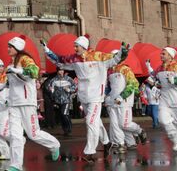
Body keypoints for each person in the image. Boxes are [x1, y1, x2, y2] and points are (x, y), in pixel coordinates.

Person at [44, 35, 126, 163]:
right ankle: (106, 142)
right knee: (95, 122)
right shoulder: (74, 59)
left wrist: (122, 51)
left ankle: (90, 153)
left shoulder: (99, 57)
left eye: (77, 46)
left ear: (83, 47)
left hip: (96, 97)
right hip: (84, 96)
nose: (74, 48)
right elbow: (60, 61)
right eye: (74, 46)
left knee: (90, 122)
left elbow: (115, 60)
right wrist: (47, 51)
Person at [5, 37, 60, 171]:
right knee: (15, 135)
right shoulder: (11, 63)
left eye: (10, 46)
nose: (8, 49)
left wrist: (17, 70)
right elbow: (10, 84)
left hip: (27, 102)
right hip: (14, 104)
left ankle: (54, 145)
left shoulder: (24, 59)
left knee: (33, 134)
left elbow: (34, 72)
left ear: (17, 48)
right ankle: (15, 165)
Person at [145, 47, 177, 154]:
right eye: (161, 54)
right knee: (162, 119)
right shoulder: (159, 69)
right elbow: (152, 79)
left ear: (170, 56)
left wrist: (176, 80)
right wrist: (154, 83)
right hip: (165, 98)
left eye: (163, 54)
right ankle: (176, 138)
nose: (161, 55)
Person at [104, 51, 147, 154]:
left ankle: (139, 131)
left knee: (124, 124)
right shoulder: (109, 71)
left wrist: (122, 96)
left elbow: (133, 84)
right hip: (112, 101)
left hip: (124, 101)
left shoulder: (125, 69)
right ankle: (122, 144)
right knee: (115, 125)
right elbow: (108, 87)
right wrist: (106, 97)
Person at [47, 69, 76, 136]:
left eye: (62, 70)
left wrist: (69, 90)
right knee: (62, 116)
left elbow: (75, 87)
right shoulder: (54, 80)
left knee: (64, 114)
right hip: (58, 101)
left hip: (66, 100)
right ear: (57, 72)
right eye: (60, 71)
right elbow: (50, 88)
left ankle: (69, 128)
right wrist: (51, 90)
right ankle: (65, 130)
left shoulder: (68, 79)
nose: (61, 72)